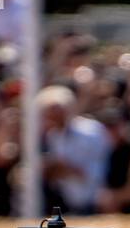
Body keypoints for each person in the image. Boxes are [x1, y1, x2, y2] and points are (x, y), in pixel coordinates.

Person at [37, 84, 111, 214]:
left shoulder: (91, 131)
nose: (52, 115)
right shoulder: (53, 136)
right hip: (66, 204)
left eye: (56, 109)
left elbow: (94, 172)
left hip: (94, 203)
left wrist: (65, 168)